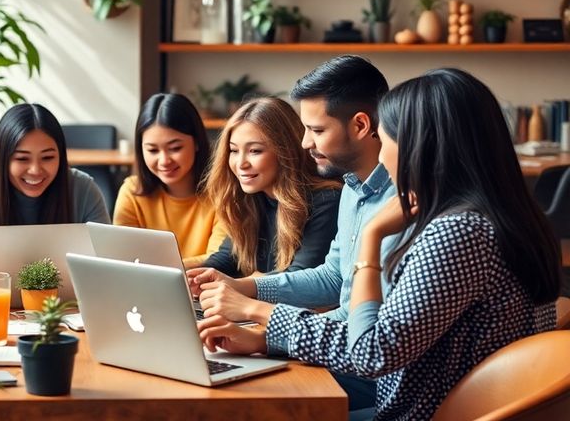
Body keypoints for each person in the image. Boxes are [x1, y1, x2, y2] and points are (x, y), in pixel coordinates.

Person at [198, 69, 561, 420]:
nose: (382, 153)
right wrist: (264, 338)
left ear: (422, 146)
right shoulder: (494, 217)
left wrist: (370, 240)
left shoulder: (458, 232)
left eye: (386, 138)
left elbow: (373, 351)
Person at [188, 56, 395, 411]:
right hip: (340, 352)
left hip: (376, 377)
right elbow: (334, 278)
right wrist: (247, 294)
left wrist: (260, 322)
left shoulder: (400, 205)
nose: (303, 144)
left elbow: (369, 339)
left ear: (361, 125)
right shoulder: (352, 190)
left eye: (316, 130)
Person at [0, 103, 110, 297]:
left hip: (69, 314)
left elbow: (105, 263)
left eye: (48, 158)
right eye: (22, 159)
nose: (35, 170)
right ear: (2, 158)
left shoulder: (84, 190)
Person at [198, 97, 340, 279]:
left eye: (255, 151)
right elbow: (229, 257)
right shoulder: (249, 197)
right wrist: (199, 276)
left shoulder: (326, 200)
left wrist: (242, 284)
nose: (240, 163)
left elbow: (300, 277)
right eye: (234, 150)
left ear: (286, 151)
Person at [113, 93, 227, 268]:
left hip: (204, 290)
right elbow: (123, 258)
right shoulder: (132, 191)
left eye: (175, 148)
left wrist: (153, 266)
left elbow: (219, 260)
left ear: (196, 142)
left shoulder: (223, 193)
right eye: (152, 150)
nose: (164, 160)